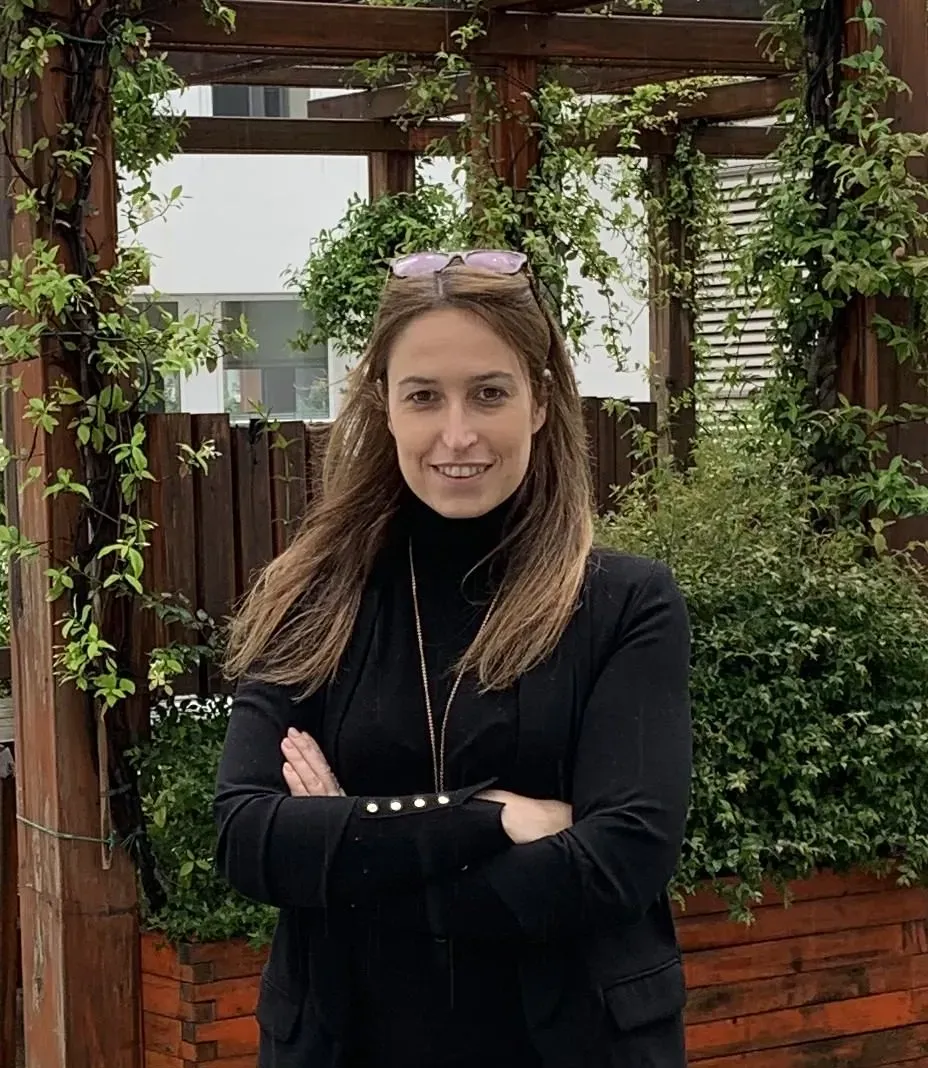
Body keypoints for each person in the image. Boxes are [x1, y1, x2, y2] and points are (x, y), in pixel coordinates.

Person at [215, 249, 692, 1068]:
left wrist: (349, 853)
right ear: (383, 407)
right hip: (349, 1041)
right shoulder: (314, 599)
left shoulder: (624, 605)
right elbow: (250, 836)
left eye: (490, 393)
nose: (457, 434)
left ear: (540, 403)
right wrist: (493, 819)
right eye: (424, 397)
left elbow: (620, 861)